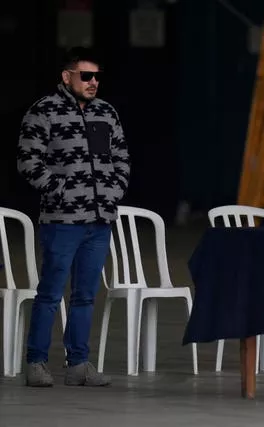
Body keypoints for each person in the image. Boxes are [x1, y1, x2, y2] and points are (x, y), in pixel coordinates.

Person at [17, 46, 130, 386]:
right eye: (86, 76)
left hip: (99, 220)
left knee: (85, 294)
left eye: (97, 76)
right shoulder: (43, 112)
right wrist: (59, 189)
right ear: (67, 77)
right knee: (51, 293)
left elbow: (121, 156)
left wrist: (114, 189)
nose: (94, 82)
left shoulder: (106, 113)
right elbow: (27, 161)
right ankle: (36, 362)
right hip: (61, 220)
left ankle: (78, 364)